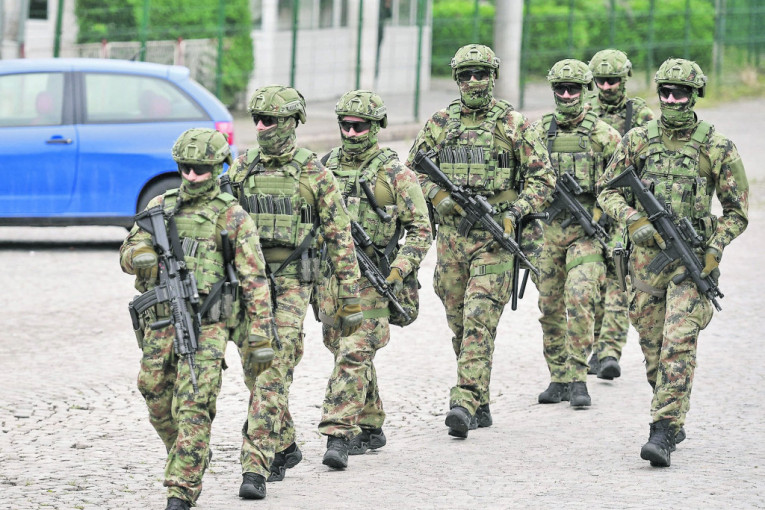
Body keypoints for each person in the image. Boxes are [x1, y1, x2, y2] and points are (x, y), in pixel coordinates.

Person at [597, 58, 748, 467]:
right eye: (665, 92)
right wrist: (633, 219)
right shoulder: (637, 140)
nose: (671, 99)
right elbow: (606, 190)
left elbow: (737, 212)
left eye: (680, 93)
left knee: (678, 344)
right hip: (645, 266)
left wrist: (715, 248)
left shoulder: (717, 146)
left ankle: (662, 430)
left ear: (695, 95)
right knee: (654, 350)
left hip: (691, 263)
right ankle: (672, 411)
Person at [120, 128, 275, 510]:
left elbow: (255, 280)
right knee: (153, 391)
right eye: (185, 168)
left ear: (217, 167)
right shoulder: (161, 206)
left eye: (200, 169)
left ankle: (181, 489)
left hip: (208, 325)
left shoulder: (233, 216)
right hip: (161, 321)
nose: (191, 176)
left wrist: (260, 336)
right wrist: (139, 256)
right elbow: (128, 250)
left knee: (194, 402)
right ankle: (188, 451)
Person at [406, 44, 555, 438]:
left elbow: (543, 179)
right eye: (466, 75)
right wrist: (437, 195)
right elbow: (410, 173)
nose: (473, 81)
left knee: (479, 316)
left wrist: (514, 212)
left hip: (495, 238)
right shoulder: (440, 123)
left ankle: (464, 400)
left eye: (481, 74)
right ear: (457, 79)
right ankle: (480, 400)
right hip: (452, 240)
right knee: (459, 320)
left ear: (493, 76)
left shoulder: (514, 124)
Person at [227, 85, 362, 499]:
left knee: (272, 368)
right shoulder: (242, 169)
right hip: (250, 281)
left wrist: (350, 295)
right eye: (257, 119)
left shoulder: (315, 174)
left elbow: (340, 237)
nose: (261, 127)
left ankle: (255, 465)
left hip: (293, 282)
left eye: (270, 120)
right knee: (253, 371)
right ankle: (284, 443)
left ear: (291, 123)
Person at [317, 90, 432, 468]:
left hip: (375, 279)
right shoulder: (323, 168)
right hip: (333, 281)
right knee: (342, 349)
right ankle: (370, 423)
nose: (351, 133)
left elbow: (421, 231)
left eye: (360, 126)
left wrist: (399, 270)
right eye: (345, 126)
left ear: (376, 126)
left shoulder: (396, 174)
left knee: (354, 351)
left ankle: (338, 434)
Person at [531, 59, 621, 408]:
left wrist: (603, 217)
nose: (567, 95)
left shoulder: (604, 136)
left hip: (587, 233)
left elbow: (623, 189)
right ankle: (558, 378)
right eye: (561, 88)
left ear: (586, 91)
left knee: (580, 299)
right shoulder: (537, 134)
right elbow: (522, 179)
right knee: (549, 306)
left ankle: (578, 377)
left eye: (573, 89)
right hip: (548, 233)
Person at [586, 49, 656, 380]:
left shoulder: (640, 115)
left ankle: (609, 352)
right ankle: (596, 348)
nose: (607, 86)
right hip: (590, 210)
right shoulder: (585, 112)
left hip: (625, 209)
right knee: (593, 282)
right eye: (601, 81)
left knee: (618, 280)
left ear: (624, 79)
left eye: (612, 80)